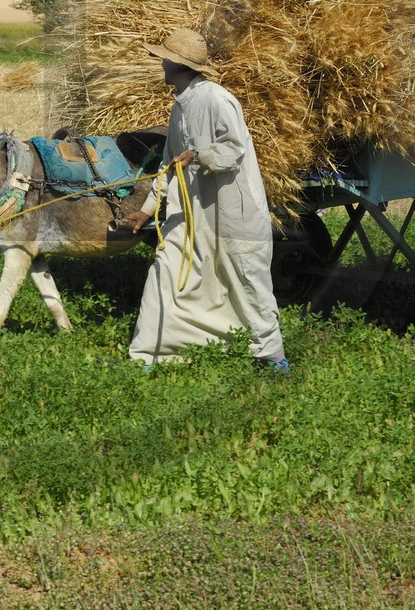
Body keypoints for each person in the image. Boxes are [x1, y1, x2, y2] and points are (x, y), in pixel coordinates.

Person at [120, 28, 289, 374]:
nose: (161, 63)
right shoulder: (179, 108)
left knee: (247, 281)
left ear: (177, 65)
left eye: (165, 58)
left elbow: (233, 150)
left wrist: (197, 155)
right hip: (193, 213)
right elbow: (168, 167)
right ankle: (150, 355)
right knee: (165, 272)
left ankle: (272, 358)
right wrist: (146, 210)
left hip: (231, 213)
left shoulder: (216, 99)